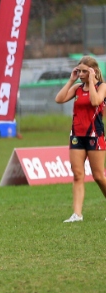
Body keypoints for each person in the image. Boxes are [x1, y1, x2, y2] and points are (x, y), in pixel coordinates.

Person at [54, 56, 106, 223]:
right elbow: (59, 99)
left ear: (94, 71)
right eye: (79, 70)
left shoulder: (101, 86)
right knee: (77, 175)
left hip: (95, 136)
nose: (81, 74)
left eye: (85, 71)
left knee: (98, 176)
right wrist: (71, 81)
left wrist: (92, 81)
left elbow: (95, 101)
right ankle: (77, 214)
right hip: (77, 135)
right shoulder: (77, 88)